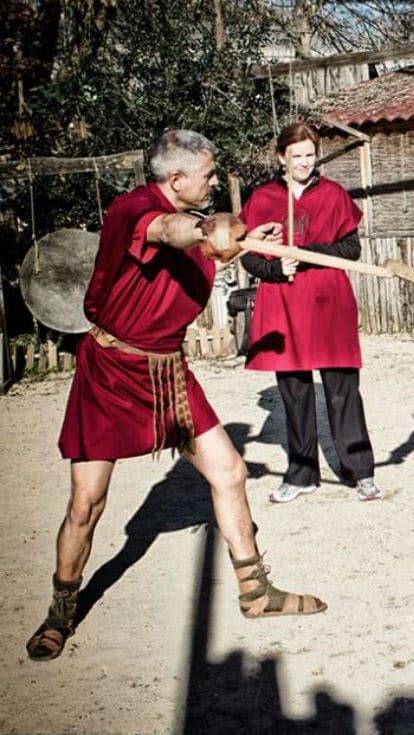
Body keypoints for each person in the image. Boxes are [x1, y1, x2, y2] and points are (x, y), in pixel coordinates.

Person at [26, 130, 326, 662]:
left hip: (168, 371)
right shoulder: (134, 210)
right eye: (208, 176)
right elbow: (169, 230)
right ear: (176, 179)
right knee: (85, 504)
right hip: (111, 371)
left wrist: (240, 236)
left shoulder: (193, 219)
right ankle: (60, 610)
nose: (214, 182)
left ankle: (256, 594)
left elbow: (205, 244)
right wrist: (210, 228)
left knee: (230, 472)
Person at [239, 122, 381, 504]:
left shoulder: (333, 195)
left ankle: (360, 471)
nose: (304, 162)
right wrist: (273, 268)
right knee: (295, 393)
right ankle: (302, 474)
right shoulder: (264, 197)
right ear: (281, 157)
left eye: (309, 154)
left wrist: (306, 254)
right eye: (296, 155)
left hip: (328, 304)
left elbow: (351, 249)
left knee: (342, 392)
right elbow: (247, 254)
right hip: (283, 305)